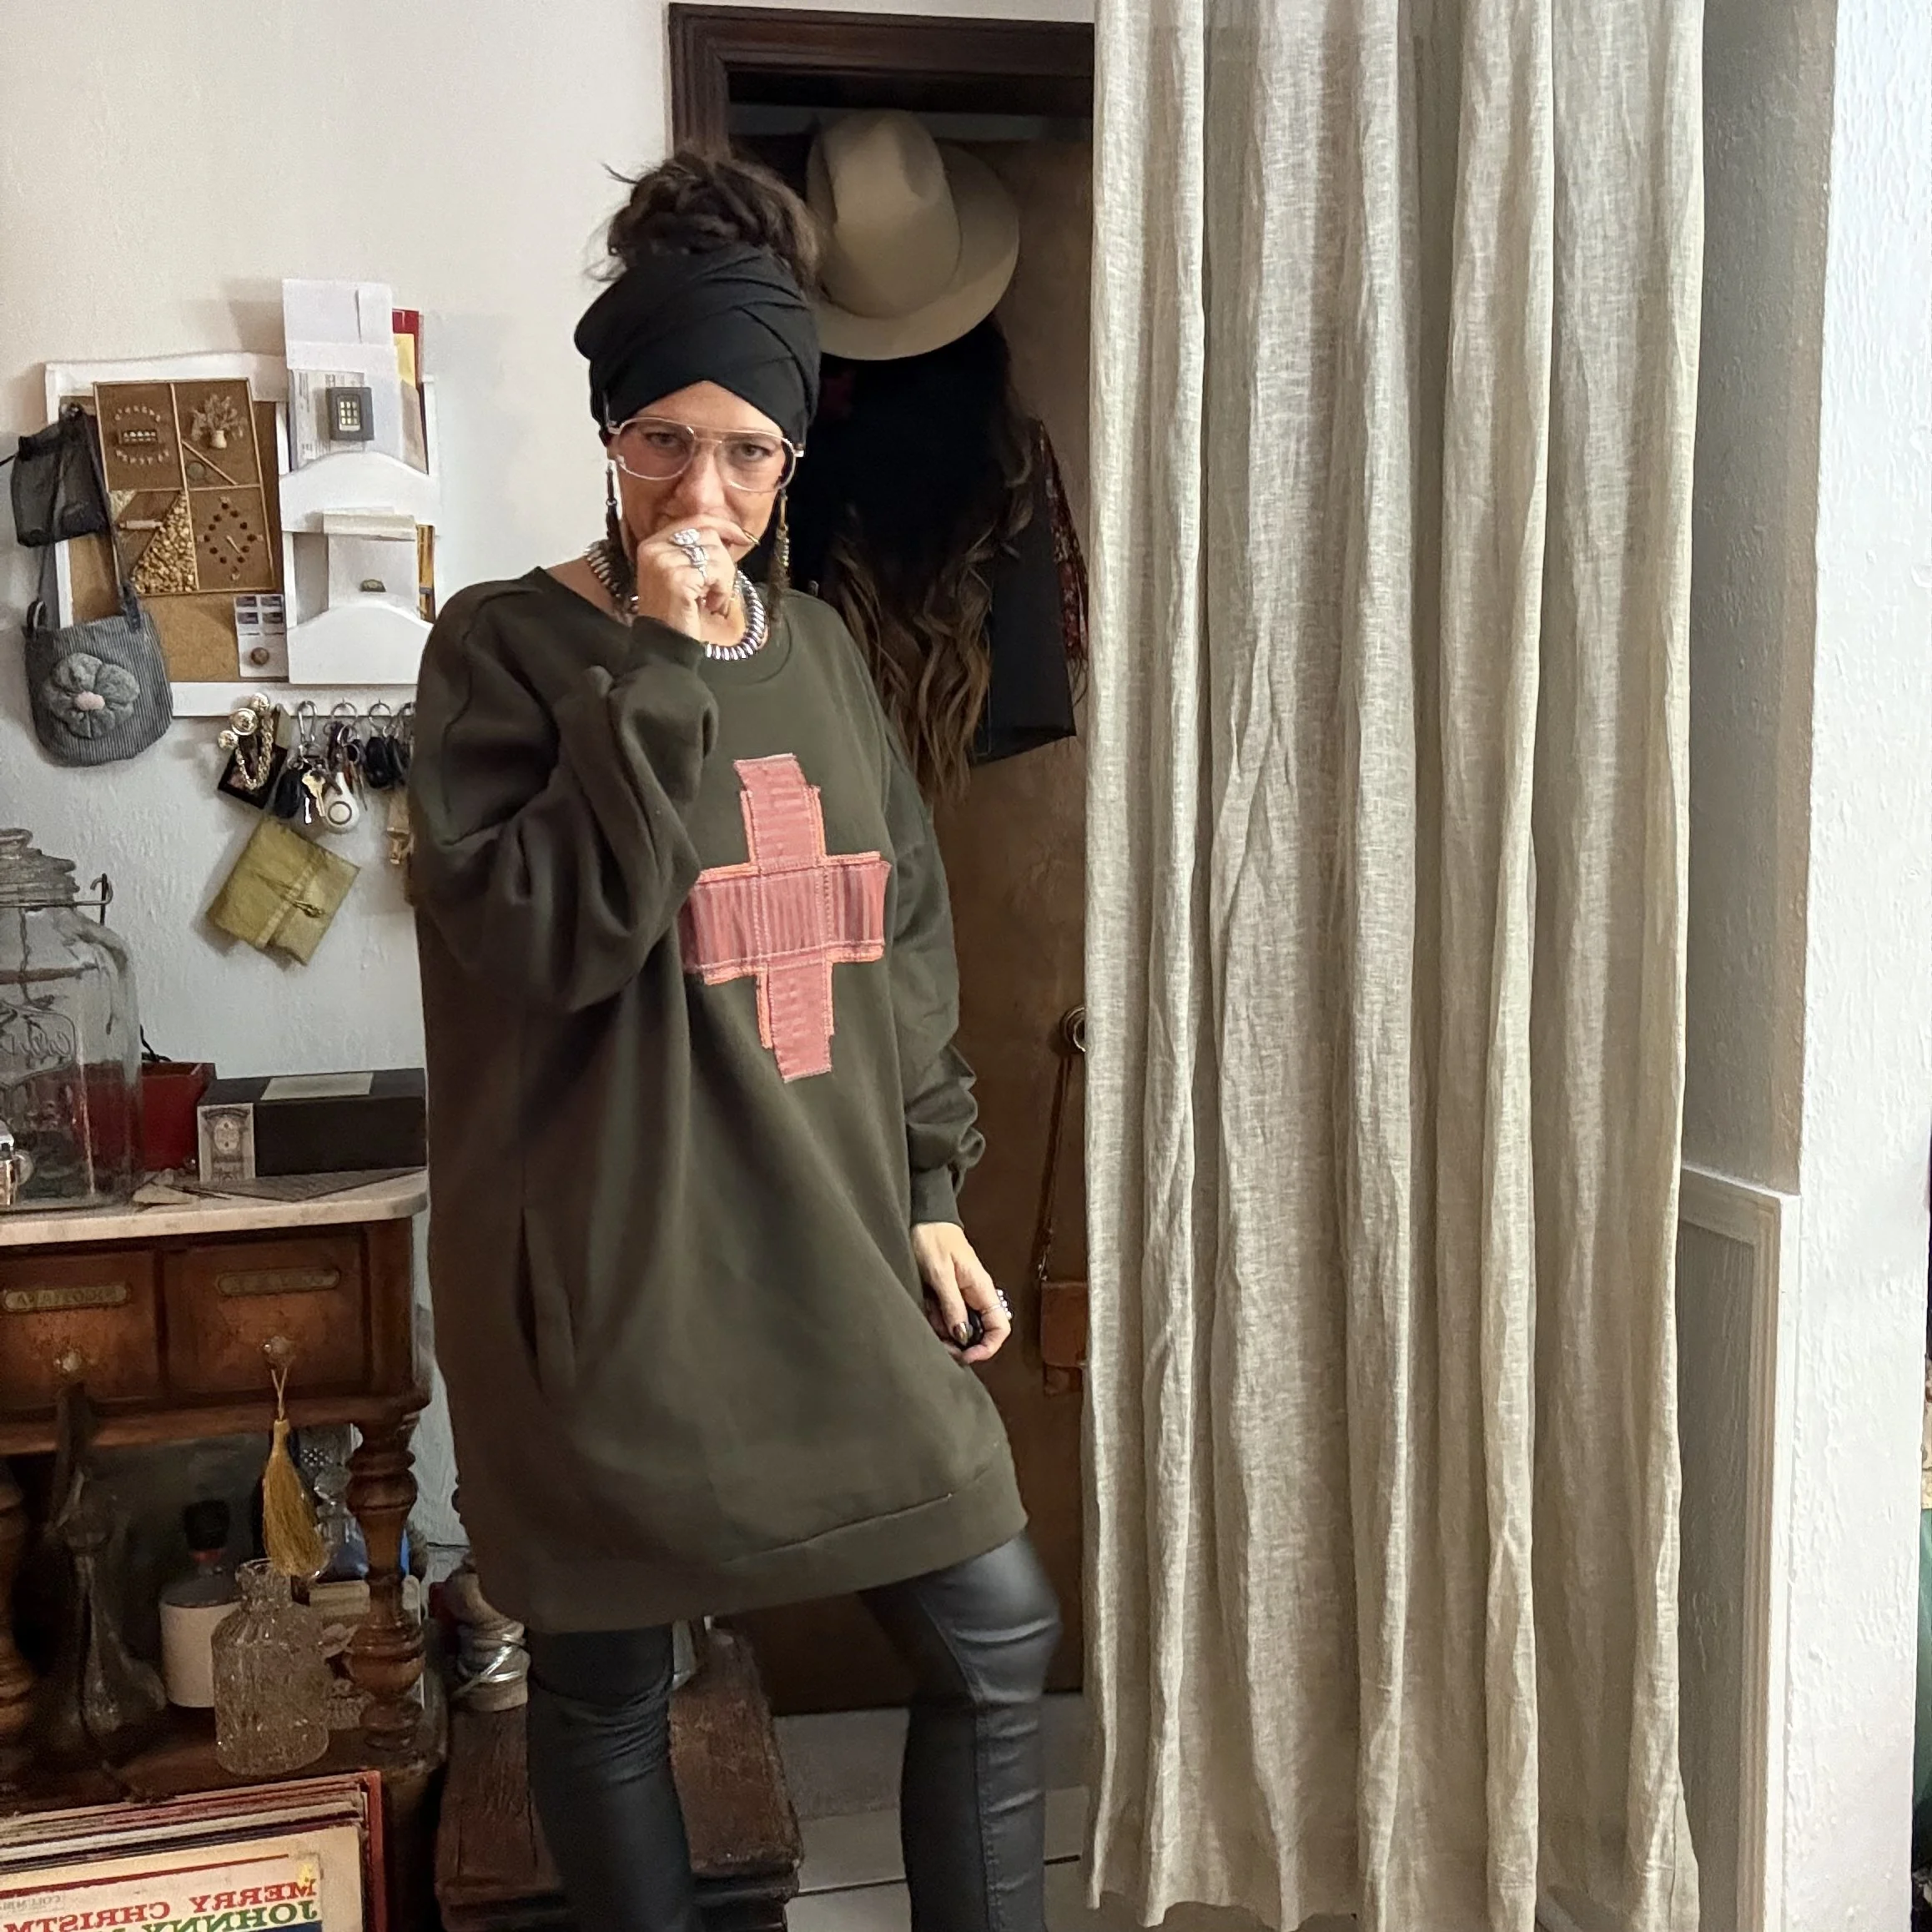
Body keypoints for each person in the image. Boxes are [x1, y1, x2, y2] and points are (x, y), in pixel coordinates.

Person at [408, 152, 1061, 1932]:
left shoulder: (829, 650)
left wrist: (930, 1186)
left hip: (829, 1250)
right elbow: (544, 942)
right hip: (614, 1277)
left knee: (997, 1636)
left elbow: (896, 933)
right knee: (611, 1685)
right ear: (610, 434)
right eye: (663, 443)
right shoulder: (502, 652)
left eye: (748, 452)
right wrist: (650, 676)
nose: (704, 493)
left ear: (793, 459)